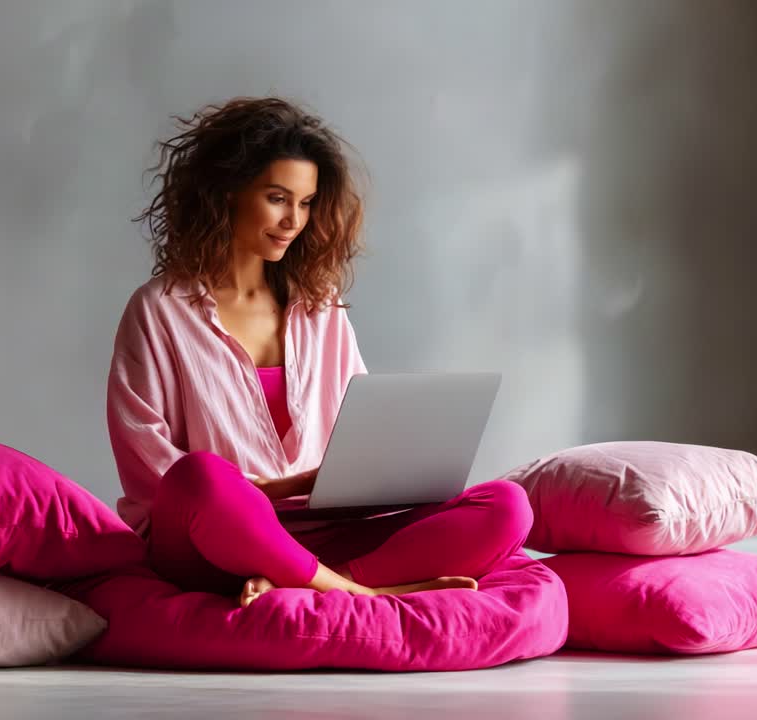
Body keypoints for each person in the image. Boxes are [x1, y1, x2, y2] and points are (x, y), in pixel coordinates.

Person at [108, 96, 532, 609]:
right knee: (201, 477)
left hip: (323, 532)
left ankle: (316, 583)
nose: (294, 220)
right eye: (277, 198)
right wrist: (286, 486)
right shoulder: (159, 309)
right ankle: (360, 593)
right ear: (227, 192)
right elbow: (155, 477)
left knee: (507, 507)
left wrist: (377, 473)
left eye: (306, 203)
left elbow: (364, 433)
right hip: (214, 538)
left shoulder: (320, 307)